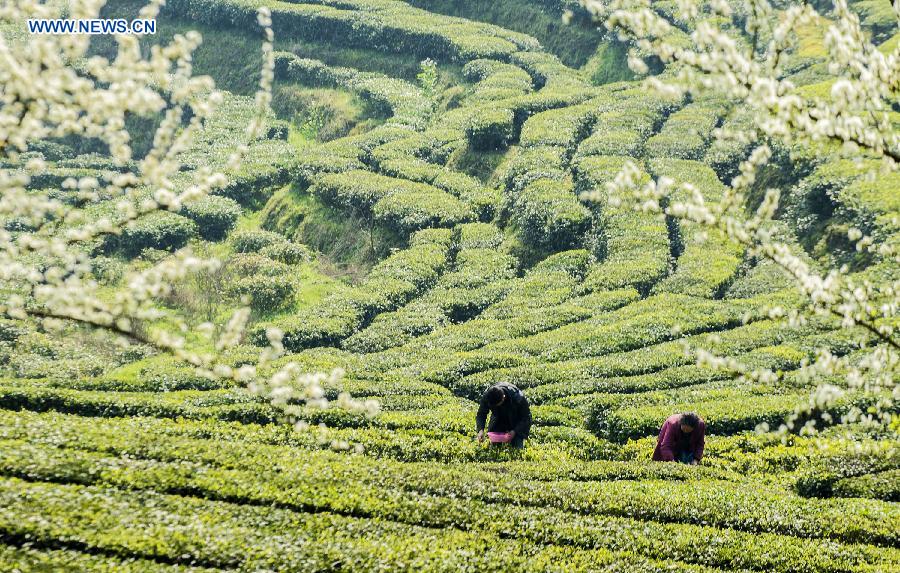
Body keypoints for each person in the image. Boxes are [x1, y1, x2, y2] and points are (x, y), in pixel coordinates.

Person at [475, 382, 532, 449]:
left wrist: (514, 431)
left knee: (517, 448)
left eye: (498, 404)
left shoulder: (517, 397)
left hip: (516, 421)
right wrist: (480, 430)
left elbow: (526, 417)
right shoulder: (488, 396)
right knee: (495, 447)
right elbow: (481, 413)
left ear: (503, 398)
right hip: (498, 418)